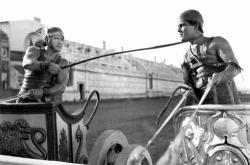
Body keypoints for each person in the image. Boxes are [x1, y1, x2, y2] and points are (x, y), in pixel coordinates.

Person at [179, 9, 242, 104]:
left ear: (196, 25)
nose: (178, 30)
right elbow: (187, 84)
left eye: (182, 25)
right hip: (203, 110)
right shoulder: (185, 58)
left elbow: (235, 67)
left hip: (227, 110)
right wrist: (187, 91)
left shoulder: (217, 43)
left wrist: (221, 76)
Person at [17, 27, 69, 103]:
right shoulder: (34, 50)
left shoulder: (63, 62)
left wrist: (43, 92)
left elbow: (61, 87)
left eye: (61, 39)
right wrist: (47, 66)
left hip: (46, 103)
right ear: (47, 39)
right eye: (56, 38)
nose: (60, 42)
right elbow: (28, 63)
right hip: (25, 99)